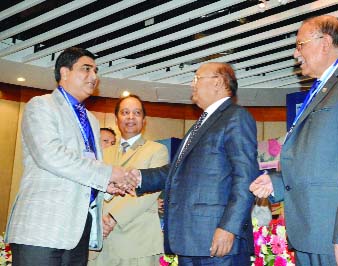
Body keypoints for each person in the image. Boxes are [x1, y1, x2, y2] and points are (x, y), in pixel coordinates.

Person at [250, 15, 338, 266]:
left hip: (337, 238)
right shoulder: (319, 91)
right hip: (310, 234)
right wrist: (276, 182)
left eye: (300, 44)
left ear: (325, 42)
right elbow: (319, 162)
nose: (295, 54)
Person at [5, 47, 136, 266]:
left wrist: (105, 185)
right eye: (86, 69)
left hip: (79, 231)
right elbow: (50, 156)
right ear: (64, 72)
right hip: (42, 228)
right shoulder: (41, 105)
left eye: (95, 70)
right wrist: (108, 173)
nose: (94, 76)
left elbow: (88, 167)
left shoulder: (93, 121)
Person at [131, 62, 259, 265]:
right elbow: (177, 171)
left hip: (218, 242)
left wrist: (229, 228)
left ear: (217, 82)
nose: (192, 85)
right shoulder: (201, 124)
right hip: (190, 242)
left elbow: (245, 178)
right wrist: (137, 177)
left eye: (197, 78)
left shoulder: (235, 117)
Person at [89, 95, 168, 266]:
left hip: (137, 242)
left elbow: (148, 194)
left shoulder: (156, 150)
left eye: (136, 113)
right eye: (125, 112)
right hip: (101, 242)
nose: (130, 117)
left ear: (144, 120)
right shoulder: (103, 153)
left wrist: (112, 218)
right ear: (116, 119)